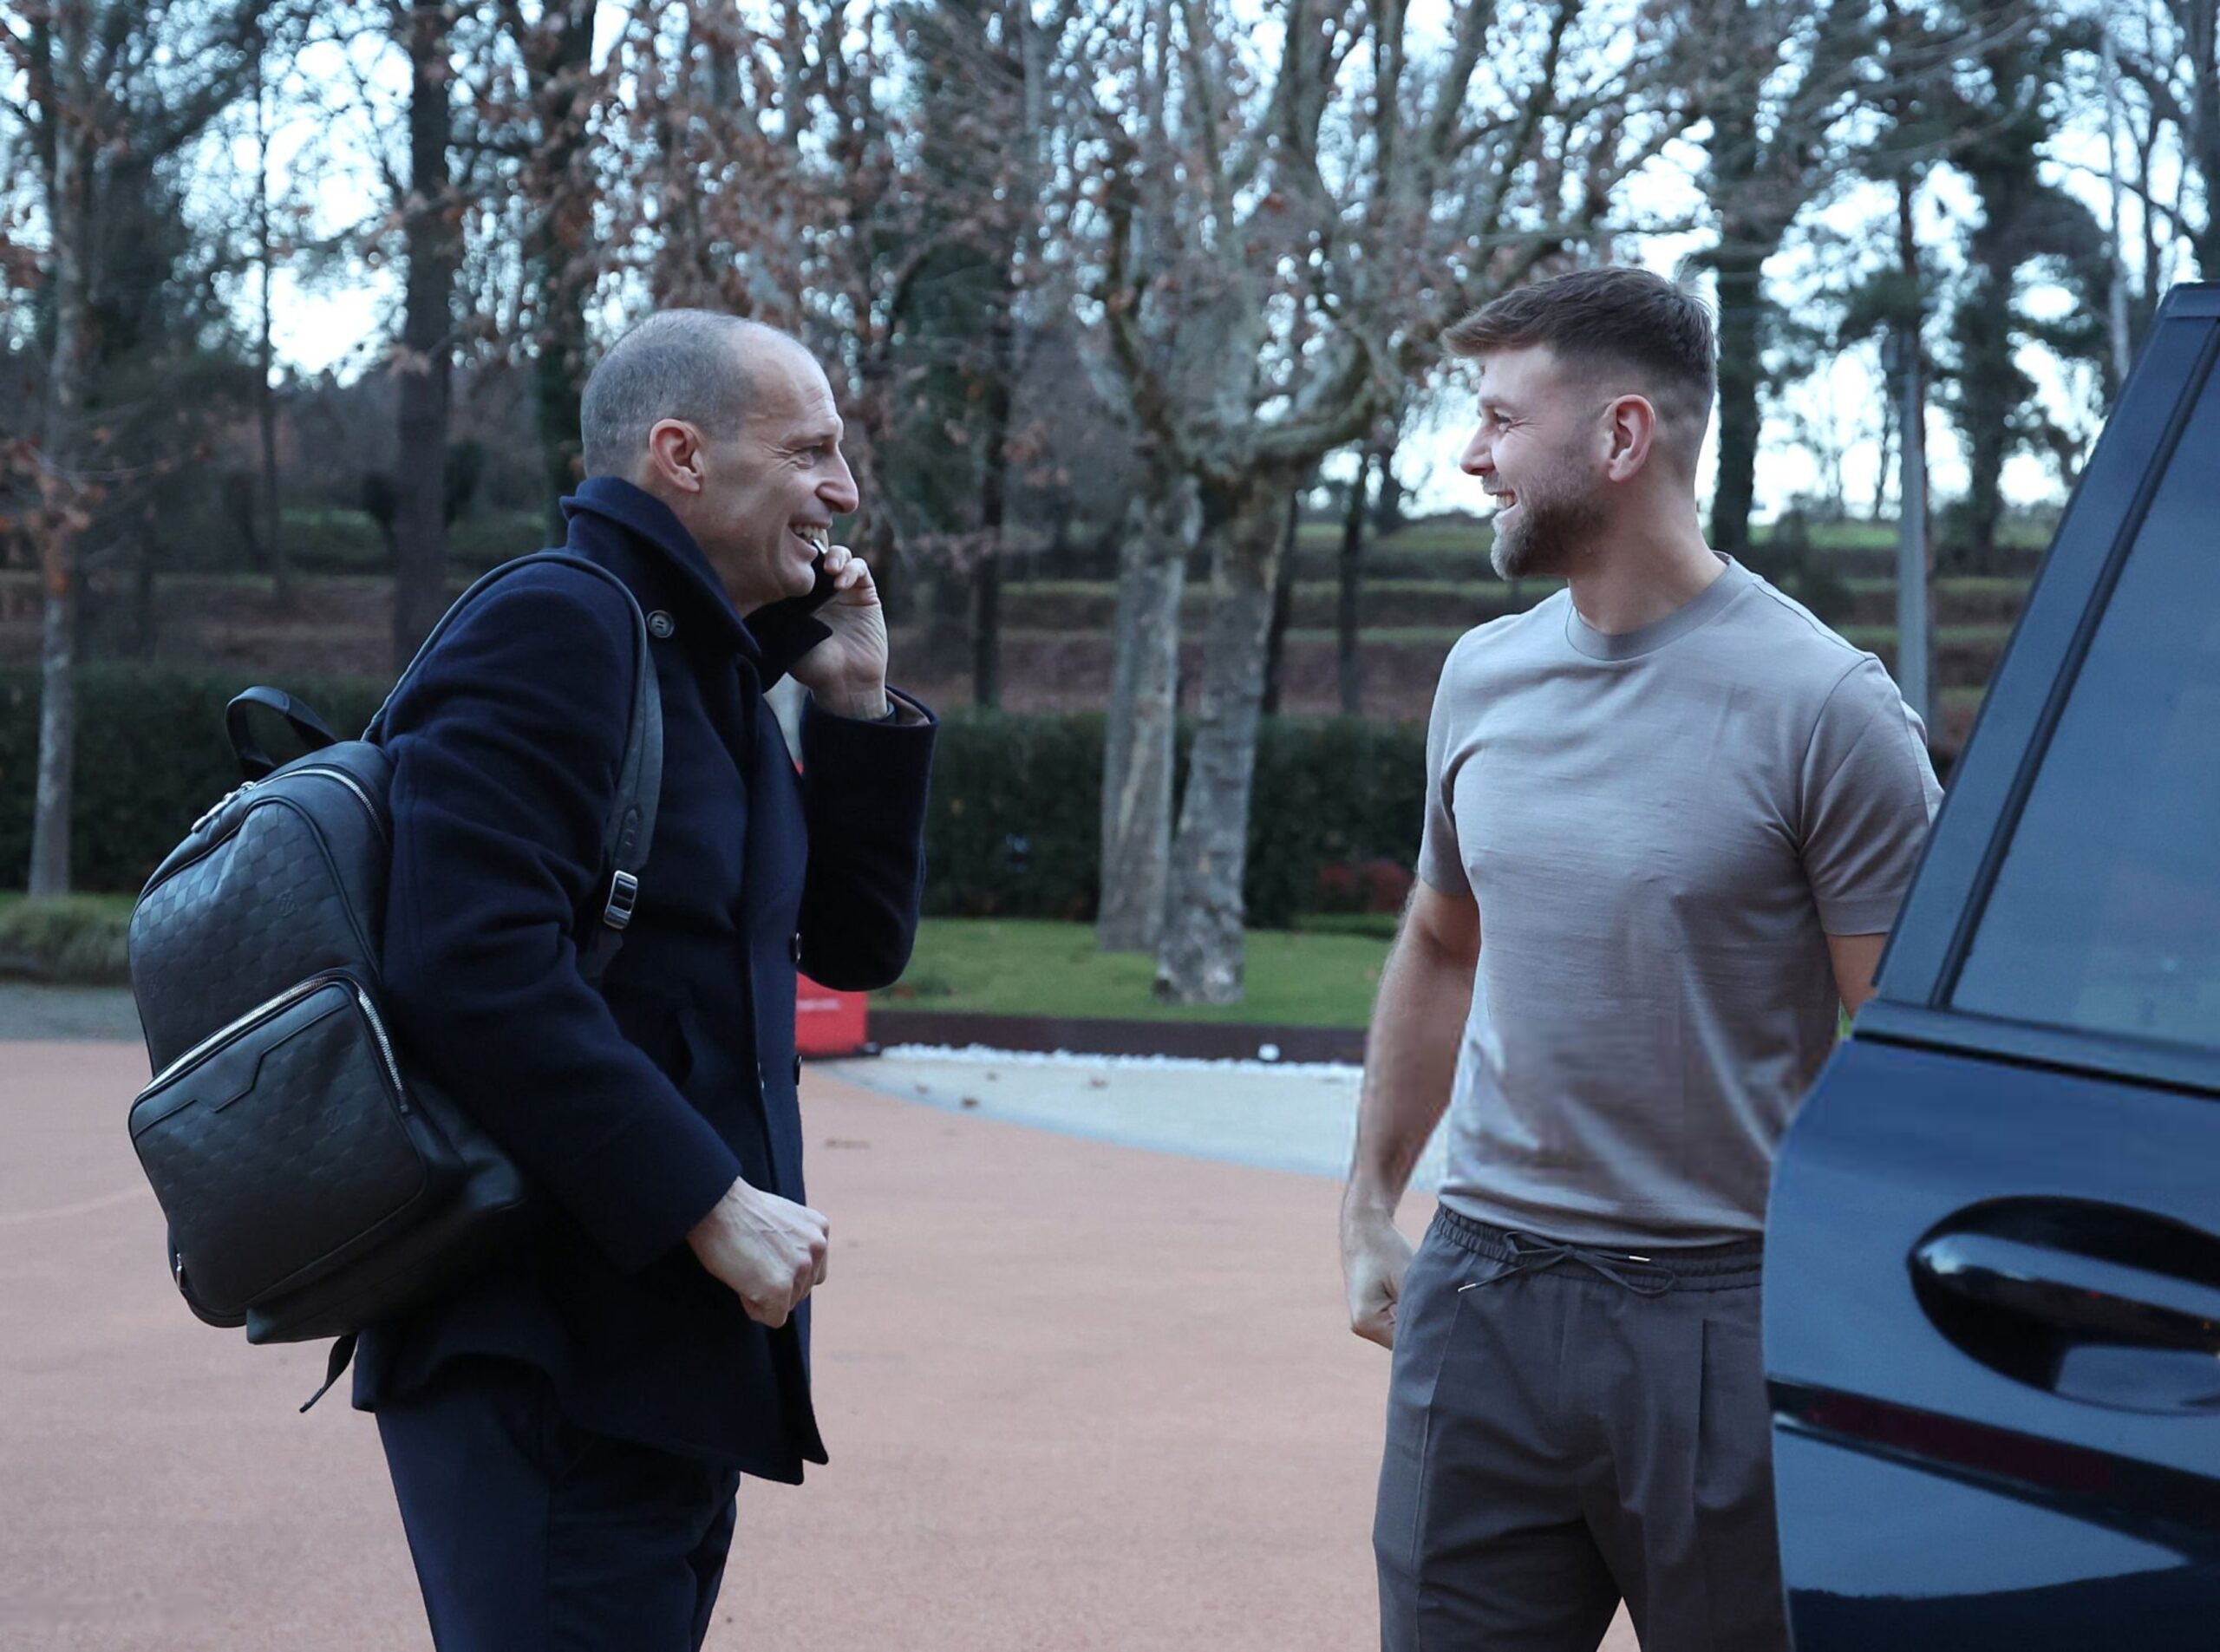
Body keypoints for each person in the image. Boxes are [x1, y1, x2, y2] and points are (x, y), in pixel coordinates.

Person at [1340, 267, 1940, 1652]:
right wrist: (1373, 1197)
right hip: (1481, 1298)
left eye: (1500, 419)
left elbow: (1898, 1048)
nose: (1470, 454)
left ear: (1620, 440)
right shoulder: (1481, 676)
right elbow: (1441, 941)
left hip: (1724, 1316)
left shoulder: (1828, 709)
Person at [355, 310, 937, 1649]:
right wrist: (708, 1200)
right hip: (541, 1337)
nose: (844, 491)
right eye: (812, 452)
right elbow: (468, 959)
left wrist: (852, 704)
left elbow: (848, 947)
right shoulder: (559, 624)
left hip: (656, 1345)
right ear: (679, 453)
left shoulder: (706, 662)